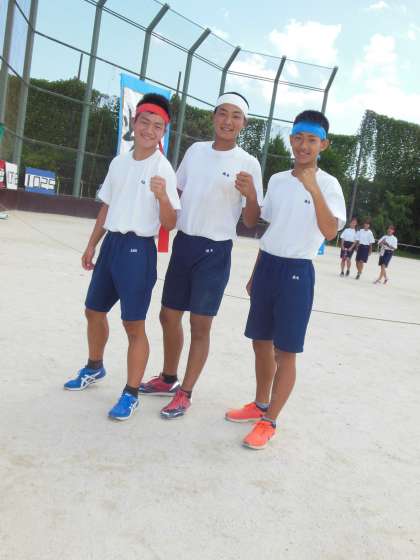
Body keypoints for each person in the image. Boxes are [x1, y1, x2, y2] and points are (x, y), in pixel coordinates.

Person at [225, 110, 346, 450]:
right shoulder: (278, 180)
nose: (304, 145)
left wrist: (313, 189)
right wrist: (251, 195)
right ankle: (259, 404)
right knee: (259, 341)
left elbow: (330, 231)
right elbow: (262, 226)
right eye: (299, 138)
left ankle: (270, 420)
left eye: (312, 140)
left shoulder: (329, 184)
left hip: (297, 271)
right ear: (291, 139)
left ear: (323, 144)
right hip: (267, 267)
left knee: (286, 351)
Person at [140, 92, 264, 419]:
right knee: (168, 316)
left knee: (200, 324)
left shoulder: (249, 163)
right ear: (213, 116)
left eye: (235, 116)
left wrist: (251, 195)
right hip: (184, 243)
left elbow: (251, 221)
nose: (227, 121)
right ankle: (168, 377)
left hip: (215, 251)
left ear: (244, 123)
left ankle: (186, 392)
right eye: (222, 113)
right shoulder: (195, 151)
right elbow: (176, 193)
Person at [63, 93, 181, 421]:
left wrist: (162, 197)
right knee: (93, 311)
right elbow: (107, 206)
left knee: (133, 324)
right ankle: (94, 366)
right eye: (145, 122)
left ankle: (130, 393)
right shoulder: (119, 163)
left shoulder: (163, 169)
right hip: (111, 246)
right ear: (134, 122)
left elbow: (170, 223)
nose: (149, 130)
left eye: (157, 126)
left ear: (163, 132)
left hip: (138, 251)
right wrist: (92, 244)